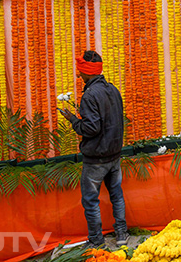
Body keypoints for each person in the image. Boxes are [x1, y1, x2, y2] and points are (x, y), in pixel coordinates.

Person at [58, 50, 129, 247]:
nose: (78, 75)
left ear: (87, 72)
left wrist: (72, 119)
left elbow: (91, 128)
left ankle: (97, 241)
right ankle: (122, 234)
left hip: (97, 159)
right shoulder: (113, 90)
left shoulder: (89, 96)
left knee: (90, 201)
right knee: (116, 194)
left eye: (80, 71)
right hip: (114, 155)